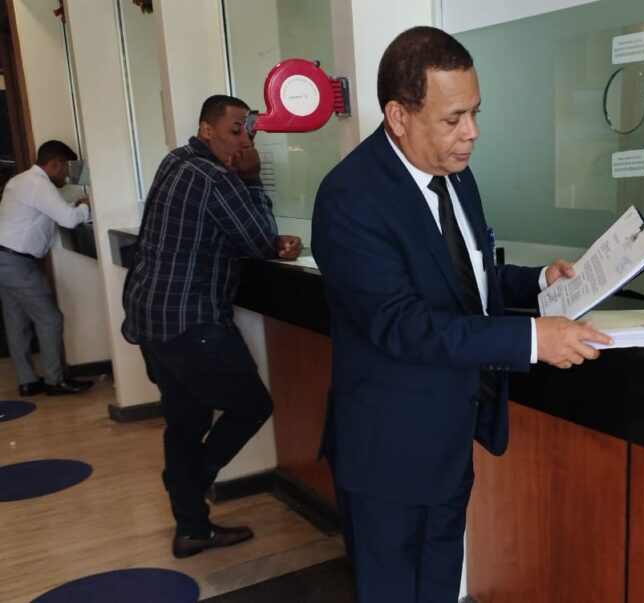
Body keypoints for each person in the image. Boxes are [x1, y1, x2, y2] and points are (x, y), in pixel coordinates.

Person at [312, 26, 612, 601]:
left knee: (440, 588)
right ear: (398, 117)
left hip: (450, 441)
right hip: (388, 456)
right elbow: (403, 324)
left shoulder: (455, 175)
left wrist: (538, 281)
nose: (471, 133)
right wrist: (531, 340)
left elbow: (464, 278)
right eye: (453, 119)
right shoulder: (350, 197)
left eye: (475, 113)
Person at [121, 95, 303, 559]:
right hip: (189, 320)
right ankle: (188, 482)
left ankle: (191, 529)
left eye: (248, 132)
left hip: (150, 316)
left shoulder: (176, 161)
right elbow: (259, 240)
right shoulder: (216, 177)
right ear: (207, 130)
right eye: (235, 130)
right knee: (251, 406)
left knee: (186, 421)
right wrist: (251, 179)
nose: (243, 141)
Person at [0, 140, 94, 397]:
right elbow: (68, 220)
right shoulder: (39, 184)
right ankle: (55, 381)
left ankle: (28, 381)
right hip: (18, 263)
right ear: (55, 164)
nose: (67, 176)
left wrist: (74, 207)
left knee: (16, 322)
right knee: (50, 319)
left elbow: (49, 212)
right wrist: (86, 206)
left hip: (5, 259)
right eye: (66, 169)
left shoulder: (20, 180)